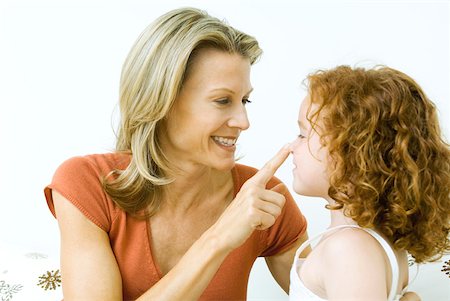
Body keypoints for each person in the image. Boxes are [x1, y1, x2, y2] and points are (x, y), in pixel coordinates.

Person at [44, 7, 309, 300]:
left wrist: (347, 199)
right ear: (162, 101)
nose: (243, 122)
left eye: (244, 100)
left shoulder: (261, 196)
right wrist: (218, 239)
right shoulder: (88, 184)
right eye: (222, 100)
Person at [288, 65, 450, 300]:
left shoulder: (349, 248)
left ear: (352, 152)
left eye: (303, 135)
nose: (292, 146)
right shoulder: (360, 240)